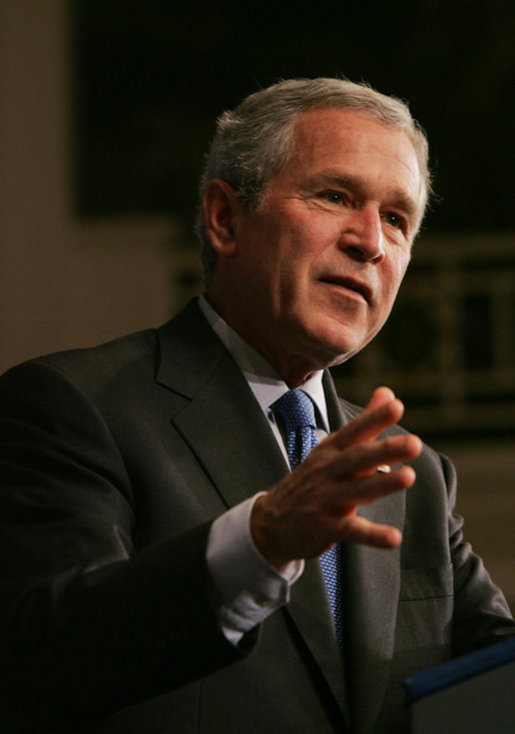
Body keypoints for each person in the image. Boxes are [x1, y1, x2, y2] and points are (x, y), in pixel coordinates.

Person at [0, 78, 513, 734]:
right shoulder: (76, 408)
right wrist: (260, 542)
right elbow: (42, 660)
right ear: (224, 219)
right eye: (336, 196)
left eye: (396, 218)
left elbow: (497, 674)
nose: (370, 242)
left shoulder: (413, 476)